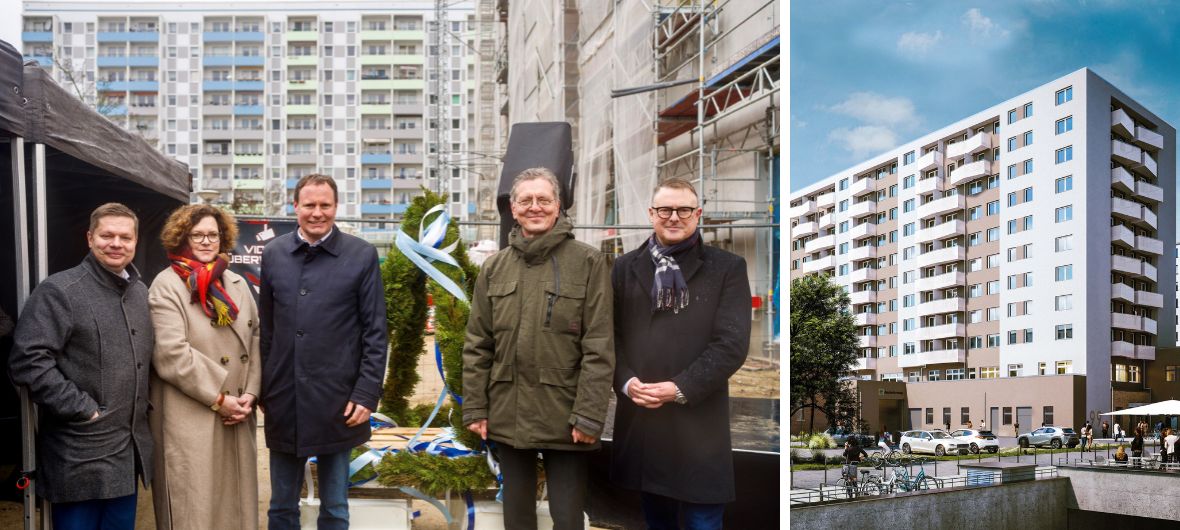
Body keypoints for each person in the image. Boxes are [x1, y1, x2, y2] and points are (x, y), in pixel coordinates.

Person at [463, 167, 614, 529]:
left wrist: (590, 415)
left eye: (544, 199)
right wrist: (475, 407)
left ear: (558, 206)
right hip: (508, 410)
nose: (535, 207)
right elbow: (477, 344)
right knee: (517, 517)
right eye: (526, 200)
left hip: (567, 417)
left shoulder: (588, 262)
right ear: (513, 209)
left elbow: (599, 345)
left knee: (566, 516)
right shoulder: (494, 268)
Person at [609, 177, 752, 530]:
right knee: (656, 519)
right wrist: (626, 382)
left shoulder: (727, 268)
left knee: (702, 519)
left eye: (683, 209)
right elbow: (609, 336)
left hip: (697, 421)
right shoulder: (624, 267)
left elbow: (731, 343)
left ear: (698, 214)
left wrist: (679, 388)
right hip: (644, 419)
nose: (674, 217)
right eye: (665, 209)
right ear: (651, 214)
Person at [8, 203, 154, 529]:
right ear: (90, 238)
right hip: (78, 454)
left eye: (125, 237)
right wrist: (82, 409)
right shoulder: (60, 290)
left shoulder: (140, 293)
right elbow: (27, 361)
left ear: (135, 242)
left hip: (126, 452)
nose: (116, 243)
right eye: (107, 235)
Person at [260, 174, 389, 529]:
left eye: (325, 205)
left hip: (339, 400)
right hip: (284, 397)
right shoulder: (273, 255)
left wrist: (366, 393)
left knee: (334, 507)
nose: (317, 213)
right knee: (281, 506)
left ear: (336, 207)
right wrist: (264, 387)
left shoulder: (361, 255)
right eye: (309, 205)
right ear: (295, 207)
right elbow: (267, 329)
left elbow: (376, 332)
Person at [147, 204, 261, 530]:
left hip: (238, 412)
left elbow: (256, 339)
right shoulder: (167, 285)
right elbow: (171, 354)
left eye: (213, 234)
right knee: (194, 509)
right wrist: (221, 399)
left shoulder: (236, 283)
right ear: (182, 238)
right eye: (198, 235)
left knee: (235, 511)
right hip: (193, 415)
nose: (207, 241)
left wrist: (250, 395)